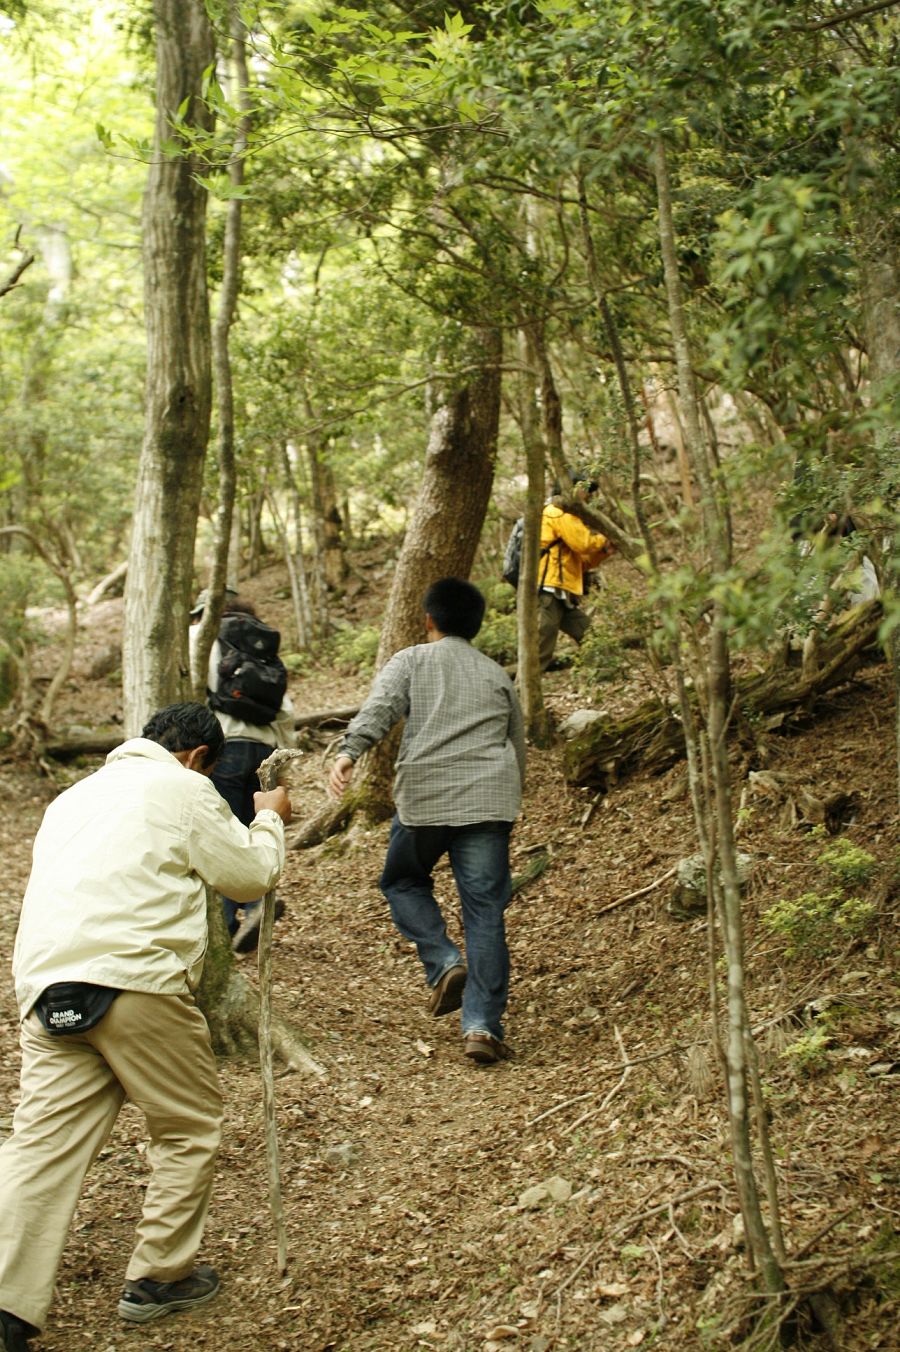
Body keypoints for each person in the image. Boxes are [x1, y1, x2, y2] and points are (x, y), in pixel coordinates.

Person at [0, 703, 291, 1350]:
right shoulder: (185, 788)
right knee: (188, 1125)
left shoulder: (71, 799)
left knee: (39, 1145)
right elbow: (249, 875)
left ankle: (6, 1301)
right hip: (135, 982)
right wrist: (269, 817)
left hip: (48, 985)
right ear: (197, 758)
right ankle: (160, 1277)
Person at [328, 578, 526, 1066]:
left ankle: (443, 961)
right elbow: (517, 743)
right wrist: (506, 800)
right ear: (477, 626)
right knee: (486, 912)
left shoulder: (412, 660)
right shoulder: (497, 674)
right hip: (489, 802)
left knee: (402, 880)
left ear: (429, 620)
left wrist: (349, 751)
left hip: (426, 799)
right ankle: (482, 1025)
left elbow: (381, 708)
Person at [189, 590, 297, 952]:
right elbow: (284, 709)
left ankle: (234, 917)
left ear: (204, 613)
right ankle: (250, 910)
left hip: (224, 747)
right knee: (254, 828)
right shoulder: (260, 643)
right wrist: (282, 766)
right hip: (264, 749)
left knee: (224, 832)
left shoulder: (202, 638)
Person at [537, 470, 613, 671]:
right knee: (539, 653)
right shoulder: (557, 512)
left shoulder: (566, 516)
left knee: (591, 637)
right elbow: (584, 543)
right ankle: (519, 697)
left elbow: (583, 561)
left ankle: (608, 677)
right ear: (570, 489)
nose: (588, 495)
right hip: (547, 592)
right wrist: (605, 537)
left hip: (562, 594)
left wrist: (604, 551)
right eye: (585, 489)